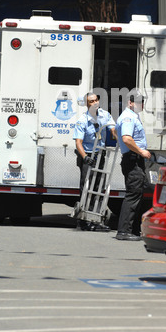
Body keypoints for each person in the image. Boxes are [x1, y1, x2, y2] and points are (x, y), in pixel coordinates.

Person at [73, 92, 116, 230]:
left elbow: (113, 129)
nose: (95, 103)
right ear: (87, 104)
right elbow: (78, 142)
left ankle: (95, 219)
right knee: (86, 187)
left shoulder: (105, 115)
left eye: (96, 100)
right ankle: (83, 220)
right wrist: (85, 157)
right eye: (91, 101)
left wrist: (118, 136)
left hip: (100, 153)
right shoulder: (82, 120)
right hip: (88, 154)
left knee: (98, 187)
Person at [115, 89, 151, 241]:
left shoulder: (131, 116)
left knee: (137, 194)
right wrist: (141, 152)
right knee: (133, 194)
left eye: (142, 101)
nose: (141, 104)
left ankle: (132, 229)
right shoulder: (128, 118)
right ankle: (124, 231)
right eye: (138, 102)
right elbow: (126, 138)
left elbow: (117, 133)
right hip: (133, 159)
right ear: (130, 103)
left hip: (133, 158)